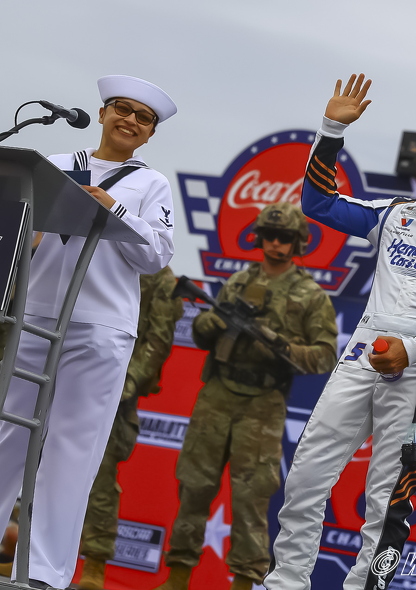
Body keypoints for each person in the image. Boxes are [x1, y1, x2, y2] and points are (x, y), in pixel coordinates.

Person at [264, 74, 416, 590]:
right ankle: (285, 582)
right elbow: (318, 204)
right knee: (306, 476)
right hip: (361, 353)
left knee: (386, 502)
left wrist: (414, 349)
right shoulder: (396, 212)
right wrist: (332, 130)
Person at [0, 74, 177, 590]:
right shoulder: (53, 166)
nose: (129, 120)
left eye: (143, 118)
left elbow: (156, 256)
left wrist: (114, 209)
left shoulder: (151, 184)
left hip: (101, 325)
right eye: (121, 108)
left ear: (150, 133)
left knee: (72, 449)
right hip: (35, 316)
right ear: (101, 113)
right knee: (6, 434)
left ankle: (43, 572)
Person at [153, 202, 338, 590]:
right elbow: (201, 335)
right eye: (268, 235)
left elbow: (325, 356)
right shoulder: (237, 282)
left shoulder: (311, 295)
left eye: (284, 237)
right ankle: (178, 576)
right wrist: (214, 321)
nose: (275, 243)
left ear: (298, 242)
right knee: (194, 486)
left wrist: (279, 346)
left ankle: (244, 580)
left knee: (251, 498)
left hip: (263, 403)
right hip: (217, 394)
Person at [77, 266, 184, 590]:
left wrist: (125, 383)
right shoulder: (98, 260)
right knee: (44, 469)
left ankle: (95, 562)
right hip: (74, 373)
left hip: (116, 390)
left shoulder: (162, 280)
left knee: (101, 476)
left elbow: (158, 342)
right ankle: (29, 552)